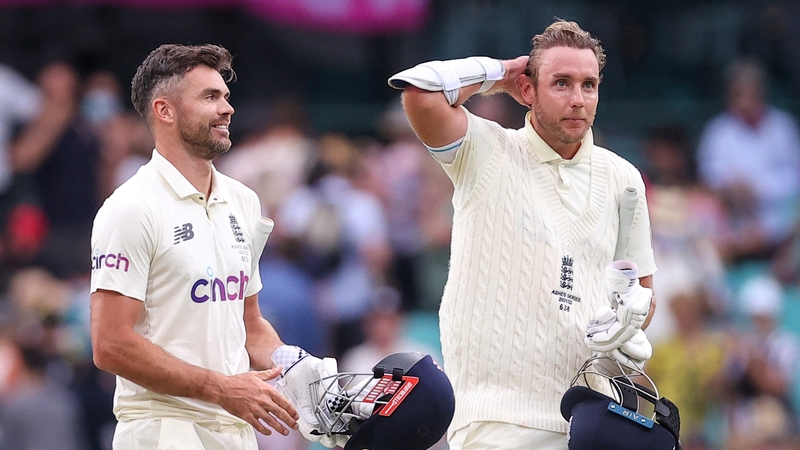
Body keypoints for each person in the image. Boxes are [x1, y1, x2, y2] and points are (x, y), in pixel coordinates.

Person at [387, 19, 657, 449]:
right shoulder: (485, 149)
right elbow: (419, 91)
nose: (578, 99)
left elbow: (641, 291)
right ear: (527, 89)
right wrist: (500, 73)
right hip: (495, 421)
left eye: (589, 85)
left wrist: (629, 323)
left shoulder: (624, 178)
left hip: (589, 421)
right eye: (561, 83)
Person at [90, 44, 343, 450]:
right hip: (163, 430)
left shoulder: (244, 201)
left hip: (236, 428)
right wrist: (220, 388)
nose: (227, 108)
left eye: (225, 96)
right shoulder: (130, 208)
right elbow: (110, 345)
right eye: (210, 97)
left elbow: (248, 323)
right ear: (164, 111)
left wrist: (292, 363)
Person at [697, 58, 800, 262]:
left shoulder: (782, 127)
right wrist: (731, 186)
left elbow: (794, 176)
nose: (744, 101)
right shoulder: (718, 130)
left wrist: (757, 188)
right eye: (738, 95)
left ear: (761, 93)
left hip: (777, 216)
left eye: (749, 93)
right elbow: (708, 174)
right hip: (732, 217)